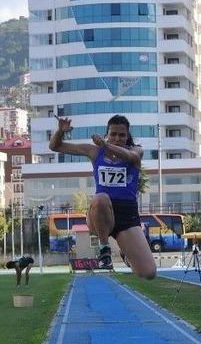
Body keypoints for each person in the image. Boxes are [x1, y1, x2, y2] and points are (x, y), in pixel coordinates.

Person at [48, 114, 156, 279]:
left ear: (128, 137)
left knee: (148, 273)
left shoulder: (136, 151)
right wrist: (60, 131)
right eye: (113, 134)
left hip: (127, 216)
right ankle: (104, 247)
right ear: (107, 134)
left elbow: (132, 157)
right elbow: (55, 147)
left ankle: (125, 253)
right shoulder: (94, 152)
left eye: (122, 135)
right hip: (100, 213)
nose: (117, 138)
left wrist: (105, 145)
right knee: (101, 198)